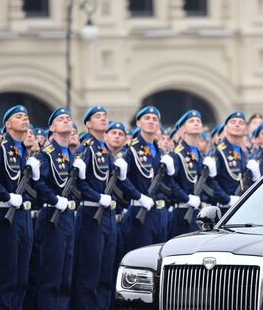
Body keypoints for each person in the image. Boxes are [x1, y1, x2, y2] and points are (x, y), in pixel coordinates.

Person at [73, 106, 118, 309]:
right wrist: (97, 197)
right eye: (97, 116)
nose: (103, 119)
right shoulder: (86, 148)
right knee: (90, 273)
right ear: (88, 124)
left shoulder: (104, 149)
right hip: (92, 214)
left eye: (105, 116)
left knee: (105, 273)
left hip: (106, 215)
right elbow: (78, 184)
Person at [33, 108, 75, 309]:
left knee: (65, 277)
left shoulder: (71, 155)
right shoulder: (47, 154)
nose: (66, 121)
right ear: (52, 127)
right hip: (52, 215)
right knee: (51, 276)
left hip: (67, 217)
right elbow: (38, 183)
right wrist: (54, 199)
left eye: (68, 118)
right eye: (61, 119)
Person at [0, 105, 37, 309]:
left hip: (22, 217)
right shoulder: (1, 146)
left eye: (26, 116)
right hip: (5, 214)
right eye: (18, 116)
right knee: (7, 275)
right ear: (7, 124)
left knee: (22, 276)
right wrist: (6, 195)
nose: (24, 119)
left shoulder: (22, 150)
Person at [119, 106, 174, 254]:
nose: (151, 122)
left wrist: (170, 172)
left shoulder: (160, 152)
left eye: (155, 119)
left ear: (159, 125)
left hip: (160, 213)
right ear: (138, 123)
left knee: (159, 258)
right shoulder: (131, 150)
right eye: (147, 118)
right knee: (140, 257)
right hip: (140, 212)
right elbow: (121, 180)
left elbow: (168, 185)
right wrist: (139, 196)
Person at [169, 110, 204, 237]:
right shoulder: (178, 153)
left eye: (198, 121)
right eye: (191, 121)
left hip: (198, 212)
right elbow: (169, 182)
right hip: (182, 211)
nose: (196, 123)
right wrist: (187, 198)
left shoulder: (200, 155)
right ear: (183, 129)